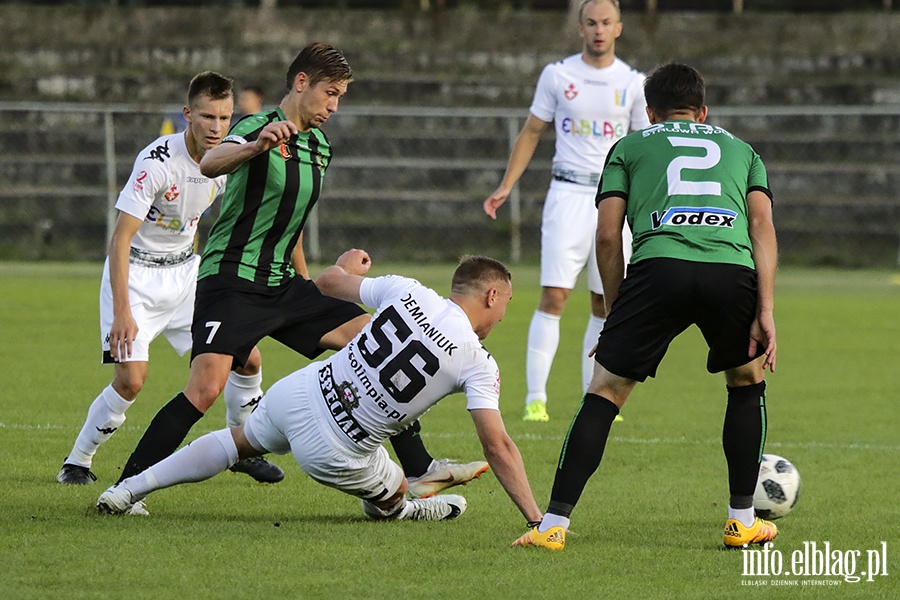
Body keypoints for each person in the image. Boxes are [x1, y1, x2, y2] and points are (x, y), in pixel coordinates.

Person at [110, 42, 487, 501]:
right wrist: (254, 146)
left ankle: (420, 468)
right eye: (330, 92)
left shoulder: (320, 147)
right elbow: (209, 163)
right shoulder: (255, 126)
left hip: (283, 284)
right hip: (231, 279)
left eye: (341, 97)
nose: (334, 105)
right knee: (206, 388)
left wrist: (308, 287)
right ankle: (127, 487)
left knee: (373, 339)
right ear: (301, 83)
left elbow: (292, 224)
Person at [512, 63, 779, 551]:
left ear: (650, 113)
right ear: (704, 111)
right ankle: (742, 521)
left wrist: (616, 310)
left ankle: (552, 525)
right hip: (730, 271)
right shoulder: (744, 152)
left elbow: (608, 234)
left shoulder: (630, 146)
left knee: (606, 392)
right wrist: (767, 308)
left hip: (658, 269)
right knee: (745, 382)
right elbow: (762, 228)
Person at [98, 251, 544, 529]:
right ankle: (408, 506)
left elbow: (327, 284)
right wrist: (537, 519)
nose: (502, 317)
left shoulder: (409, 290)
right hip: (335, 448)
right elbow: (498, 445)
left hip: (299, 391)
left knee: (236, 442)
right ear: (491, 296)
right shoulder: (478, 361)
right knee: (389, 495)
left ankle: (129, 489)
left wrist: (345, 266)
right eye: (505, 305)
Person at [56, 72, 277, 486]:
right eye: (207, 117)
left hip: (186, 274)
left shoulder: (228, 160)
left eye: (225, 118)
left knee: (248, 357)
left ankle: (242, 448)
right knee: (131, 381)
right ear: (187, 114)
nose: (216, 127)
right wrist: (123, 310)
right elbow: (120, 238)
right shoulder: (156, 161)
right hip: (137, 276)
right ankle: (78, 460)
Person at [483, 0, 649, 423]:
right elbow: (532, 131)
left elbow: (645, 146)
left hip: (613, 199)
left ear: (619, 29)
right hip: (568, 195)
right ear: (581, 29)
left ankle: (592, 396)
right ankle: (535, 399)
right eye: (591, 22)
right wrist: (506, 185)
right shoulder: (558, 75)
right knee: (554, 296)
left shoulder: (632, 82)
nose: (598, 30)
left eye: (606, 23)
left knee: (604, 302)